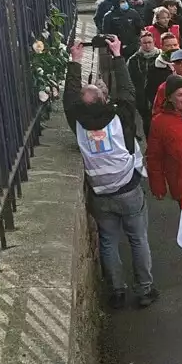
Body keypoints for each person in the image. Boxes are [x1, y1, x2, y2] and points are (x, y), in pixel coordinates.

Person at [63, 38, 156, 310]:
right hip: (128, 188)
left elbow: (70, 97)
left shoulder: (77, 120)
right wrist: (117, 55)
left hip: (100, 193)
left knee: (108, 241)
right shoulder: (120, 117)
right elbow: (128, 90)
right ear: (105, 99)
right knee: (138, 239)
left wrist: (75, 62)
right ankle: (145, 290)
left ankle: (117, 290)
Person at [146, 75, 182, 209]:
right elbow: (154, 157)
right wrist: (158, 185)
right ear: (170, 99)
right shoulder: (159, 122)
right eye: (180, 95)